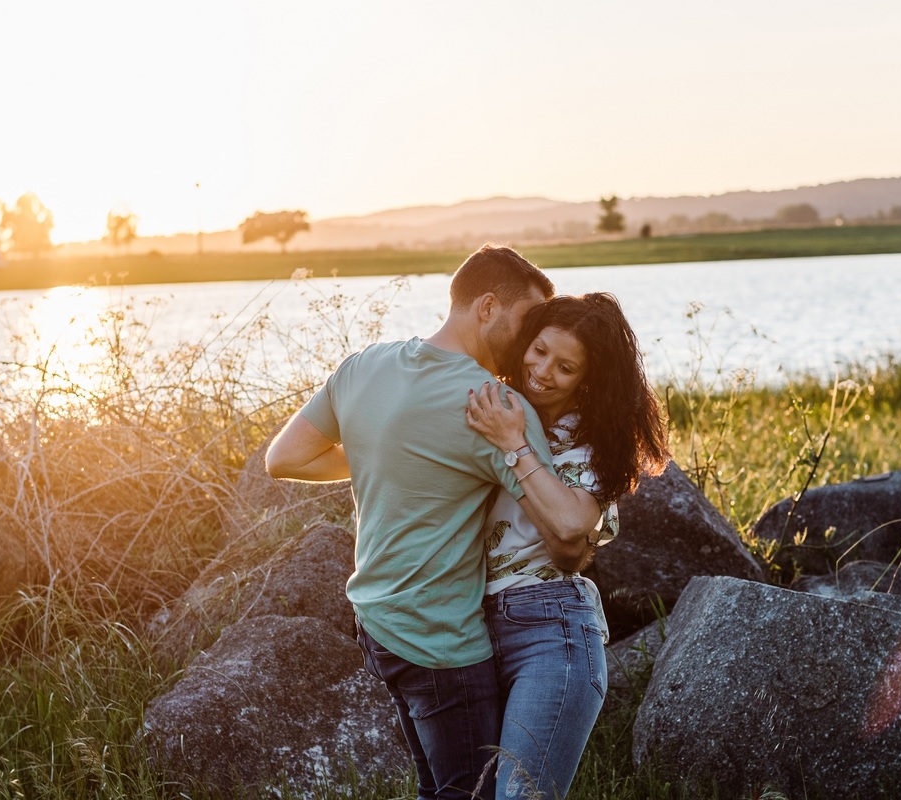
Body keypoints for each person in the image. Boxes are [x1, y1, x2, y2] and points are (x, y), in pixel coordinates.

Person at [265, 243, 556, 800]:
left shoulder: (362, 366)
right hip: (441, 641)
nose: (530, 344)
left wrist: (387, 448)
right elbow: (560, 522)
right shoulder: (494, 408)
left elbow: (285, 458)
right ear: (488, 307)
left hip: (377, 623)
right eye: (528, 323)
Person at [464, 292, 670, 800]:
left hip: (549, 627)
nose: (542, 371)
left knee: (521, 797)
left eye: (565, 366)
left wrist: (515, 446)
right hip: (468, 624)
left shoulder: (589, 439)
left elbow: (571, 530)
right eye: (538, 351)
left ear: (587, 379)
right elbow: (565, 544)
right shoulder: (494, 404)